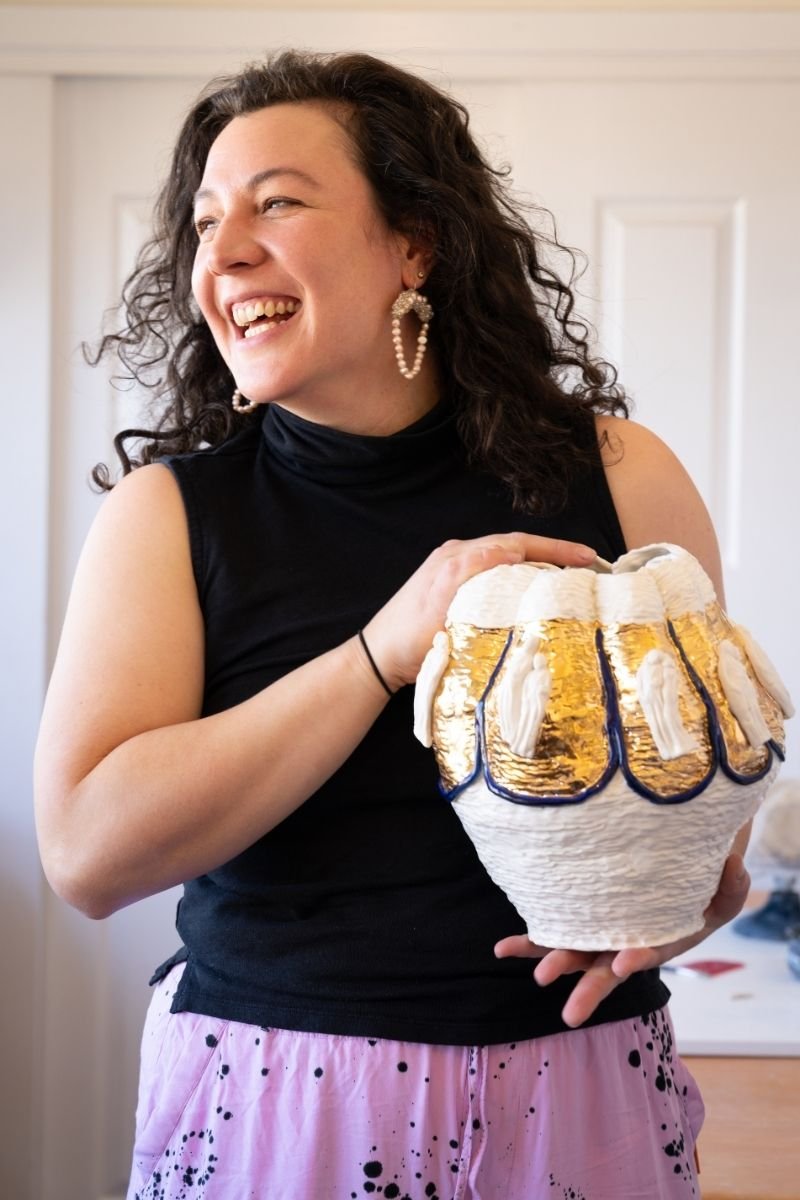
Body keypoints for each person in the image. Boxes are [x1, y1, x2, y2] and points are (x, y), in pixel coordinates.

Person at [34, 50, 751, 1200]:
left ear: (412, 244)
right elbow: (85, 857)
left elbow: (700, 826)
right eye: (206, 222)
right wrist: (382, 650)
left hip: (581, 1086)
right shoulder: (167, 516)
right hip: (283, 1096)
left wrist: (684, 897)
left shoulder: (623, 474)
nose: (221, 253)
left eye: (276, 203)